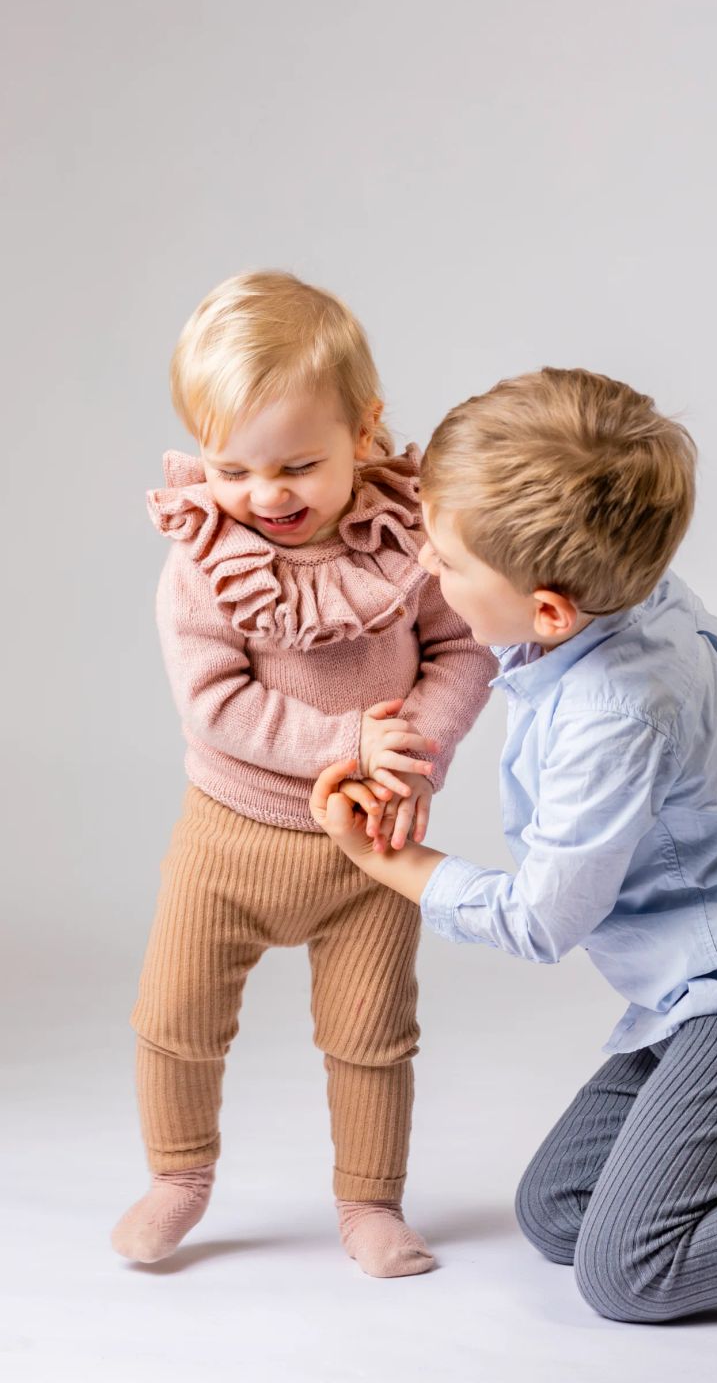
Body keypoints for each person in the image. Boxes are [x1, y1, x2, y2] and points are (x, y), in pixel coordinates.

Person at [309, 366, 717, 1320]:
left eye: (446, 564)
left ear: (550, 612)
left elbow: (542, 920)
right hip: (696, 994)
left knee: (629, 1274)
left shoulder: (616, 709)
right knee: (560, 1213)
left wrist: (390, 862)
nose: (424, 574)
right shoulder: (630, 590)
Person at [111, 271, 497, 1277]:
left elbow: (463, 649)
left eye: (298, 464)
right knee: (174, 1019)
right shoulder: (207, 556)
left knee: (372, 1035)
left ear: (365, 431)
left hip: (371, 844)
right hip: (229, 835)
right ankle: (177, 1178)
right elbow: (216, 703)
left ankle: (369, 1201)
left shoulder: (410, 537)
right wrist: (343, 745)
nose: (266, 496)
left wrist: (416, 744)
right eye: (232, 468)